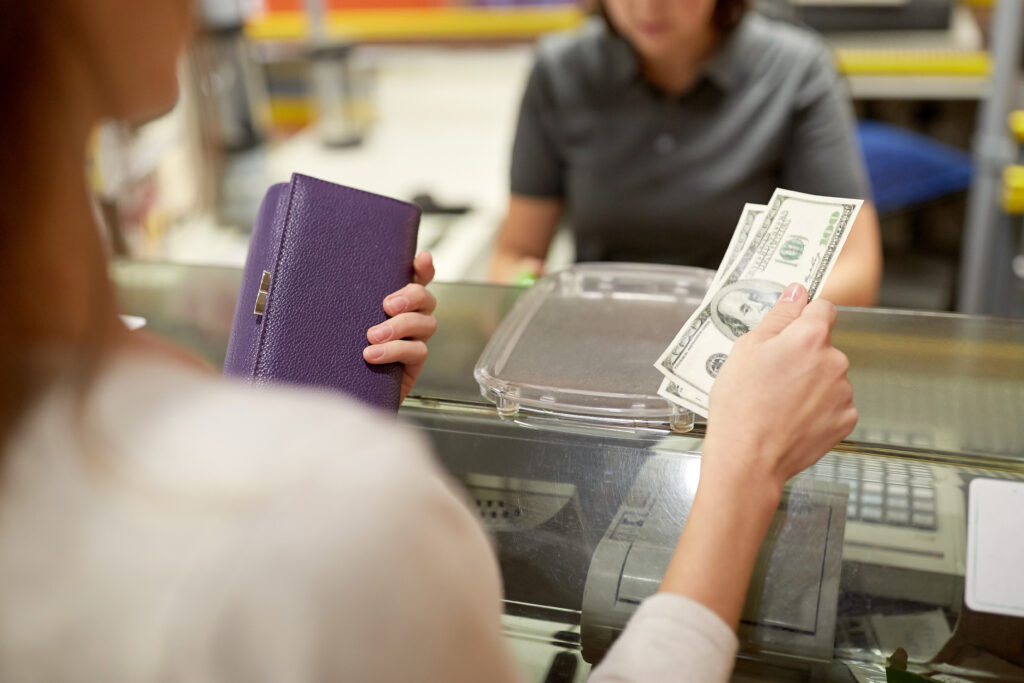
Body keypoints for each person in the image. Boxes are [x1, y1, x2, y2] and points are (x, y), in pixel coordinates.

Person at [0, 1, 857, 681]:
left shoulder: (792, 67)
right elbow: (524, 245)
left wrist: (313, 405)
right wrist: (746, 466)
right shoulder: (337, 507)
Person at [490, 0, 883, 307]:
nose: (648, 9)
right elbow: (514, 255)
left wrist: (760, 323)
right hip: (598, 342)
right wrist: (529, 296)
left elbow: (856, 270)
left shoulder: (795, 68)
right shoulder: (559, 70)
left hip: (746, 343)